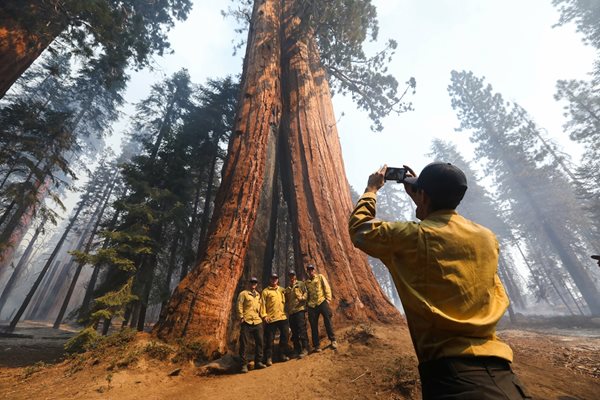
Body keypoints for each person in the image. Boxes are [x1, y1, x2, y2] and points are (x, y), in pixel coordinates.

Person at [348, 162, 531, 400]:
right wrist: (424, 201)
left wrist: (372, 189)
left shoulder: (414, 237)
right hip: (503, 377)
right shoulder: (486, 238)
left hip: (453, 381)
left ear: (423, 195)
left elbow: (360, 229)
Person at [236, 276, 267, 373]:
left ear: (256, 284)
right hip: (246, 321)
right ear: (249, 283)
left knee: (260, 342)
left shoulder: (258, 295)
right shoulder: (243, 294)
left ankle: (258, 362)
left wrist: (264, 316)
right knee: (244, 344)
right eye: (252, 282)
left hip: (257, 321)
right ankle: (243, 365)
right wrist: (241, 317)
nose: (253, 284)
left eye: (255, 282)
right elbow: (239, 305)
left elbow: (261, 307)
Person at [305, 264, 337, 352]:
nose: (310, 271)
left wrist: (328, 299)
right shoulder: (306, 283)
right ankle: (316, 345)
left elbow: (326, 287)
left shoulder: (320, 277)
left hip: (322, 301)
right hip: (312, 305)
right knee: (313, 325)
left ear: (314, 270)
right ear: (307, 271)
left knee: (327, 320)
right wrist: (307, 305)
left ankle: (333, 340)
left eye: (312, 269)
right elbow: (306, 294)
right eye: (309, 270)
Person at [261, 272, 290, 366]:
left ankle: (282, 354)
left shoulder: (282, 290)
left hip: (282, 317)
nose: (274, 280)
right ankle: (269, 358)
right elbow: (262, 305)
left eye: (276, 278)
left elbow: (289, 299)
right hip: (271, 318)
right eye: (272, 278)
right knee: (269, 339)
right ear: (270, 279)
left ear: (278, 280)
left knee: (285, 335)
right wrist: (264, 316)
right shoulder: (265, 291)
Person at [285, 270, 309, 358]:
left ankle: (305, 348)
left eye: (293, 275)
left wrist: (302, 298)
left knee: (301, 329)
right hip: (292, 312)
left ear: (295, 276)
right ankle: (297, 349)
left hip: (300, 310)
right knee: (294, 331)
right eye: (290, 276)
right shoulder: (287, 289)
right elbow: (286, 300)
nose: (291, 277)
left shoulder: (301, 284)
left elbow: (306, 293)